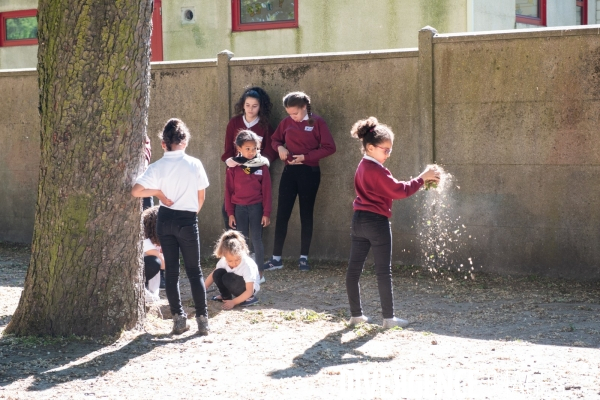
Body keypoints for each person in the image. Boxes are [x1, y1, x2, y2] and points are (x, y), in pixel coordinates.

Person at [346, 117, 440, 329]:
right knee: (383, 271)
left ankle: (356, 315)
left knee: (354, 270)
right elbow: (400, 190)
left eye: (390, 149)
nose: (388, 154)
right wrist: (422, 178)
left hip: (359, 220)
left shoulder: (363, 165)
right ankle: (389, 318)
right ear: (370, 148)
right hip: (376, 222)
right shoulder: (376, 169)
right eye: (385, 150)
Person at [132, 118, 210, 336]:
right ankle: (202, 319)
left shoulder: (157, 166)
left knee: (172, 272)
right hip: (187, 219)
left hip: (164, 220)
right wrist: (191, 214)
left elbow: (136, 191)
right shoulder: (194, 164)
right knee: (195, 271)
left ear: (163, 143)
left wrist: (157, 193)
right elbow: (201, 196)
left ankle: (178, 318)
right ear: (184, 141)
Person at [263, 91, 336, 272]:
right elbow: (275, 139)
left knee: (306, 213)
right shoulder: (286, 123)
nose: (292, 117)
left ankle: (304, 257)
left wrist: (306, 157)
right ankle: (276, 258)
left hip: (309, 172)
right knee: (282, 213)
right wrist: (279, 147)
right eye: (289, 114)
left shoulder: (317, 122)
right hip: (289, 171)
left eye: (295, 113)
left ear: (304, 107)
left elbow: (329, 147)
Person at [222, 87, 277, 230]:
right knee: (228, 212)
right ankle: (235, 250)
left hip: (256, 181)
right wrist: (230, 161)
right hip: (236, 177)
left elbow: (270, 153)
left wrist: (259, 163)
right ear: (242, 105)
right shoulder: (234, 123)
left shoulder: (265, 126)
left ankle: (255, 251)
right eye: (247, 105)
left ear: (260, 107)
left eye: (254, 106)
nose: (250, 109)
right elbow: (228, 150)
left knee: (257, 220)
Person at [225, 130, 271, 282]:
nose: (252, 152)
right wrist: (230, 213)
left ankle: (259, 273)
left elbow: (267, 191)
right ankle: (243, 271)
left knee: (257, 239)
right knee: (241, 240)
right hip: (239, 208)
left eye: (255, 148)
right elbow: (228, 191)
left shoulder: (262, 166)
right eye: (247, 148)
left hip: (256, 207)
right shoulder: (233, 167)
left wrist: (266, 212)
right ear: (239, 149)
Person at [205, 230, 260, 309]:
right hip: (234, 283)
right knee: (218, 273)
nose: (234, 263)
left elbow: (249, 290)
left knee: (227, 277)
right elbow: (213, 274)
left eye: (237, 260)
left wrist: (234, 302)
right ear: (224, 257)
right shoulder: (223, 261)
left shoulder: (247, 265)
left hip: (249, 290)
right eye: (230, 261)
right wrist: (204, 287)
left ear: (241, 253)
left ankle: (250, 298)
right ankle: (226, 297)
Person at [141, 206, 165, 301]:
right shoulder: (144, 239)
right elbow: (164, 265)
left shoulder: (154, 240)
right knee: (155, 262)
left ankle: (150, 293)